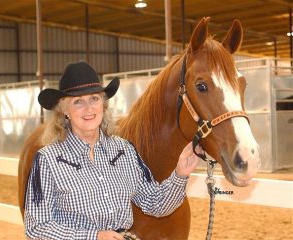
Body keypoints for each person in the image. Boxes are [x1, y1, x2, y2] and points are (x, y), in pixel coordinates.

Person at [24, 61, 201, 240]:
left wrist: (180, 173)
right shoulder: (48, 160)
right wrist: (94, 237)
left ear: (103, 104)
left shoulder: (123, 150)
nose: (89, 108)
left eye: (94, 98)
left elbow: (155, 202)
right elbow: (37, 228)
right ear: (64, 110)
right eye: (78, 102)